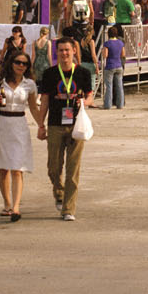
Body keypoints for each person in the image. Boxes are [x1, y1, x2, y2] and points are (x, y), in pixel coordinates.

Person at [38, 38, 95, 220]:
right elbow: (44, 100)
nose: (64, 54)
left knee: (73, 168)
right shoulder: (49, 74)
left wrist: (82, 102)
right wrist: (40, 125)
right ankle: (59, 192)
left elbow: (90, 98)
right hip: (55, 124)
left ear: (73, 51)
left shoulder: (83, 73)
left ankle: (69, 209)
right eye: (61, 50)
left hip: (76, 125)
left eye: (67, 50)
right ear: (57, 53)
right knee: (53, 167)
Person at [0, 51, 40, 220]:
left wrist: (42, 125)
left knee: (18, 168)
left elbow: (33, 107)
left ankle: (16, 207)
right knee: (3, 168)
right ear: (11, 63)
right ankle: (7, 204)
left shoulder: (29, 84)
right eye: (18, 62)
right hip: (2, 124)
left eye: (25, 64)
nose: (21, 66)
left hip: (20, 125)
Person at [100, 24, 127, 110]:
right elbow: (123, 54)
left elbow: (105, 55)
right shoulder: (120, 43)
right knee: (119, 86)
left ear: (108, 34)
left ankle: (108, 105)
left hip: (110, 66)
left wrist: (102, 51)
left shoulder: (107, 43)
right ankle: (120, 104)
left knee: (109, 86)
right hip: (119, 65)